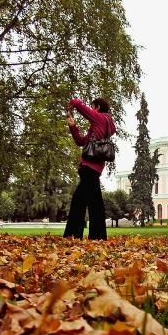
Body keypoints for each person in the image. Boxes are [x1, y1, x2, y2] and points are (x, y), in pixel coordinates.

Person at [64, 97, 116, 240]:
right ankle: (97, 236)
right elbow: (81, 141)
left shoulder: (99, 119)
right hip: (96, 167)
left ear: (97, 107)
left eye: (92, 106)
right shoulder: (102, 125)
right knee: (94, 201)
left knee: (79, 201)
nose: (91, 109)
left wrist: (73, 102)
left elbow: (81, 108)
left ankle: (73, 234)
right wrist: (73, 126)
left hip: (89, 165)